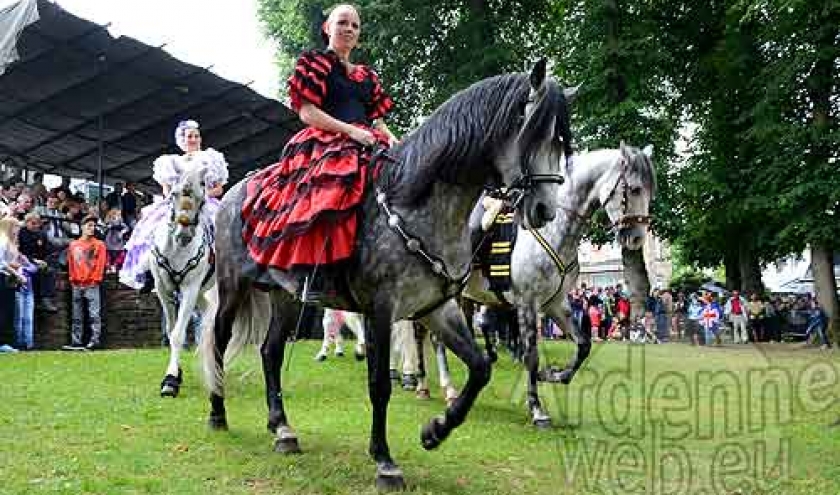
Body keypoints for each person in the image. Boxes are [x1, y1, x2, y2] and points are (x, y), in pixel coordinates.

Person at [240, 4, 397, 298]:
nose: (349, 29)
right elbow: (307, 112)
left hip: (368, 138)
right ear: (327, 28)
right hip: (328, 139)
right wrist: (350, 131)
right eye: (342, 23)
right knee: (331, 191)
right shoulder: (313, 62)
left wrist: (395, 141)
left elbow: (378, 119)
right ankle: (313, 274)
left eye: (354, 25)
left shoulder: (367, 76)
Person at [119, 120, 229, 291]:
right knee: (150, 226)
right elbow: (166, 190)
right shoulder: (170, 161)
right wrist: (176, 198)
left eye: (196, 136)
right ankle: (149, 269)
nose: (193, 139)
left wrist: (201, 196)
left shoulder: (210, 159)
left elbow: (219, 188)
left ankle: (221, 265)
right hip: (177, 202)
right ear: (181, 140)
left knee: (219, 225)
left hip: (203, 201)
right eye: (189, 136)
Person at [64, 216, 107, 350]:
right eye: (89, 225)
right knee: (76, 315)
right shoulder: (73, 245)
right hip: (77, 283)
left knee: (94, 314)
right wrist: (72, 278)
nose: (92, 228)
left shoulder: (99, 245)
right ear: (82, 227)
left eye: (93, 226)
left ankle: (95, 340)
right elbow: (71, 263)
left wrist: (96, 279)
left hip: (91, 283)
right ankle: (76, 340)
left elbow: (100, 264)